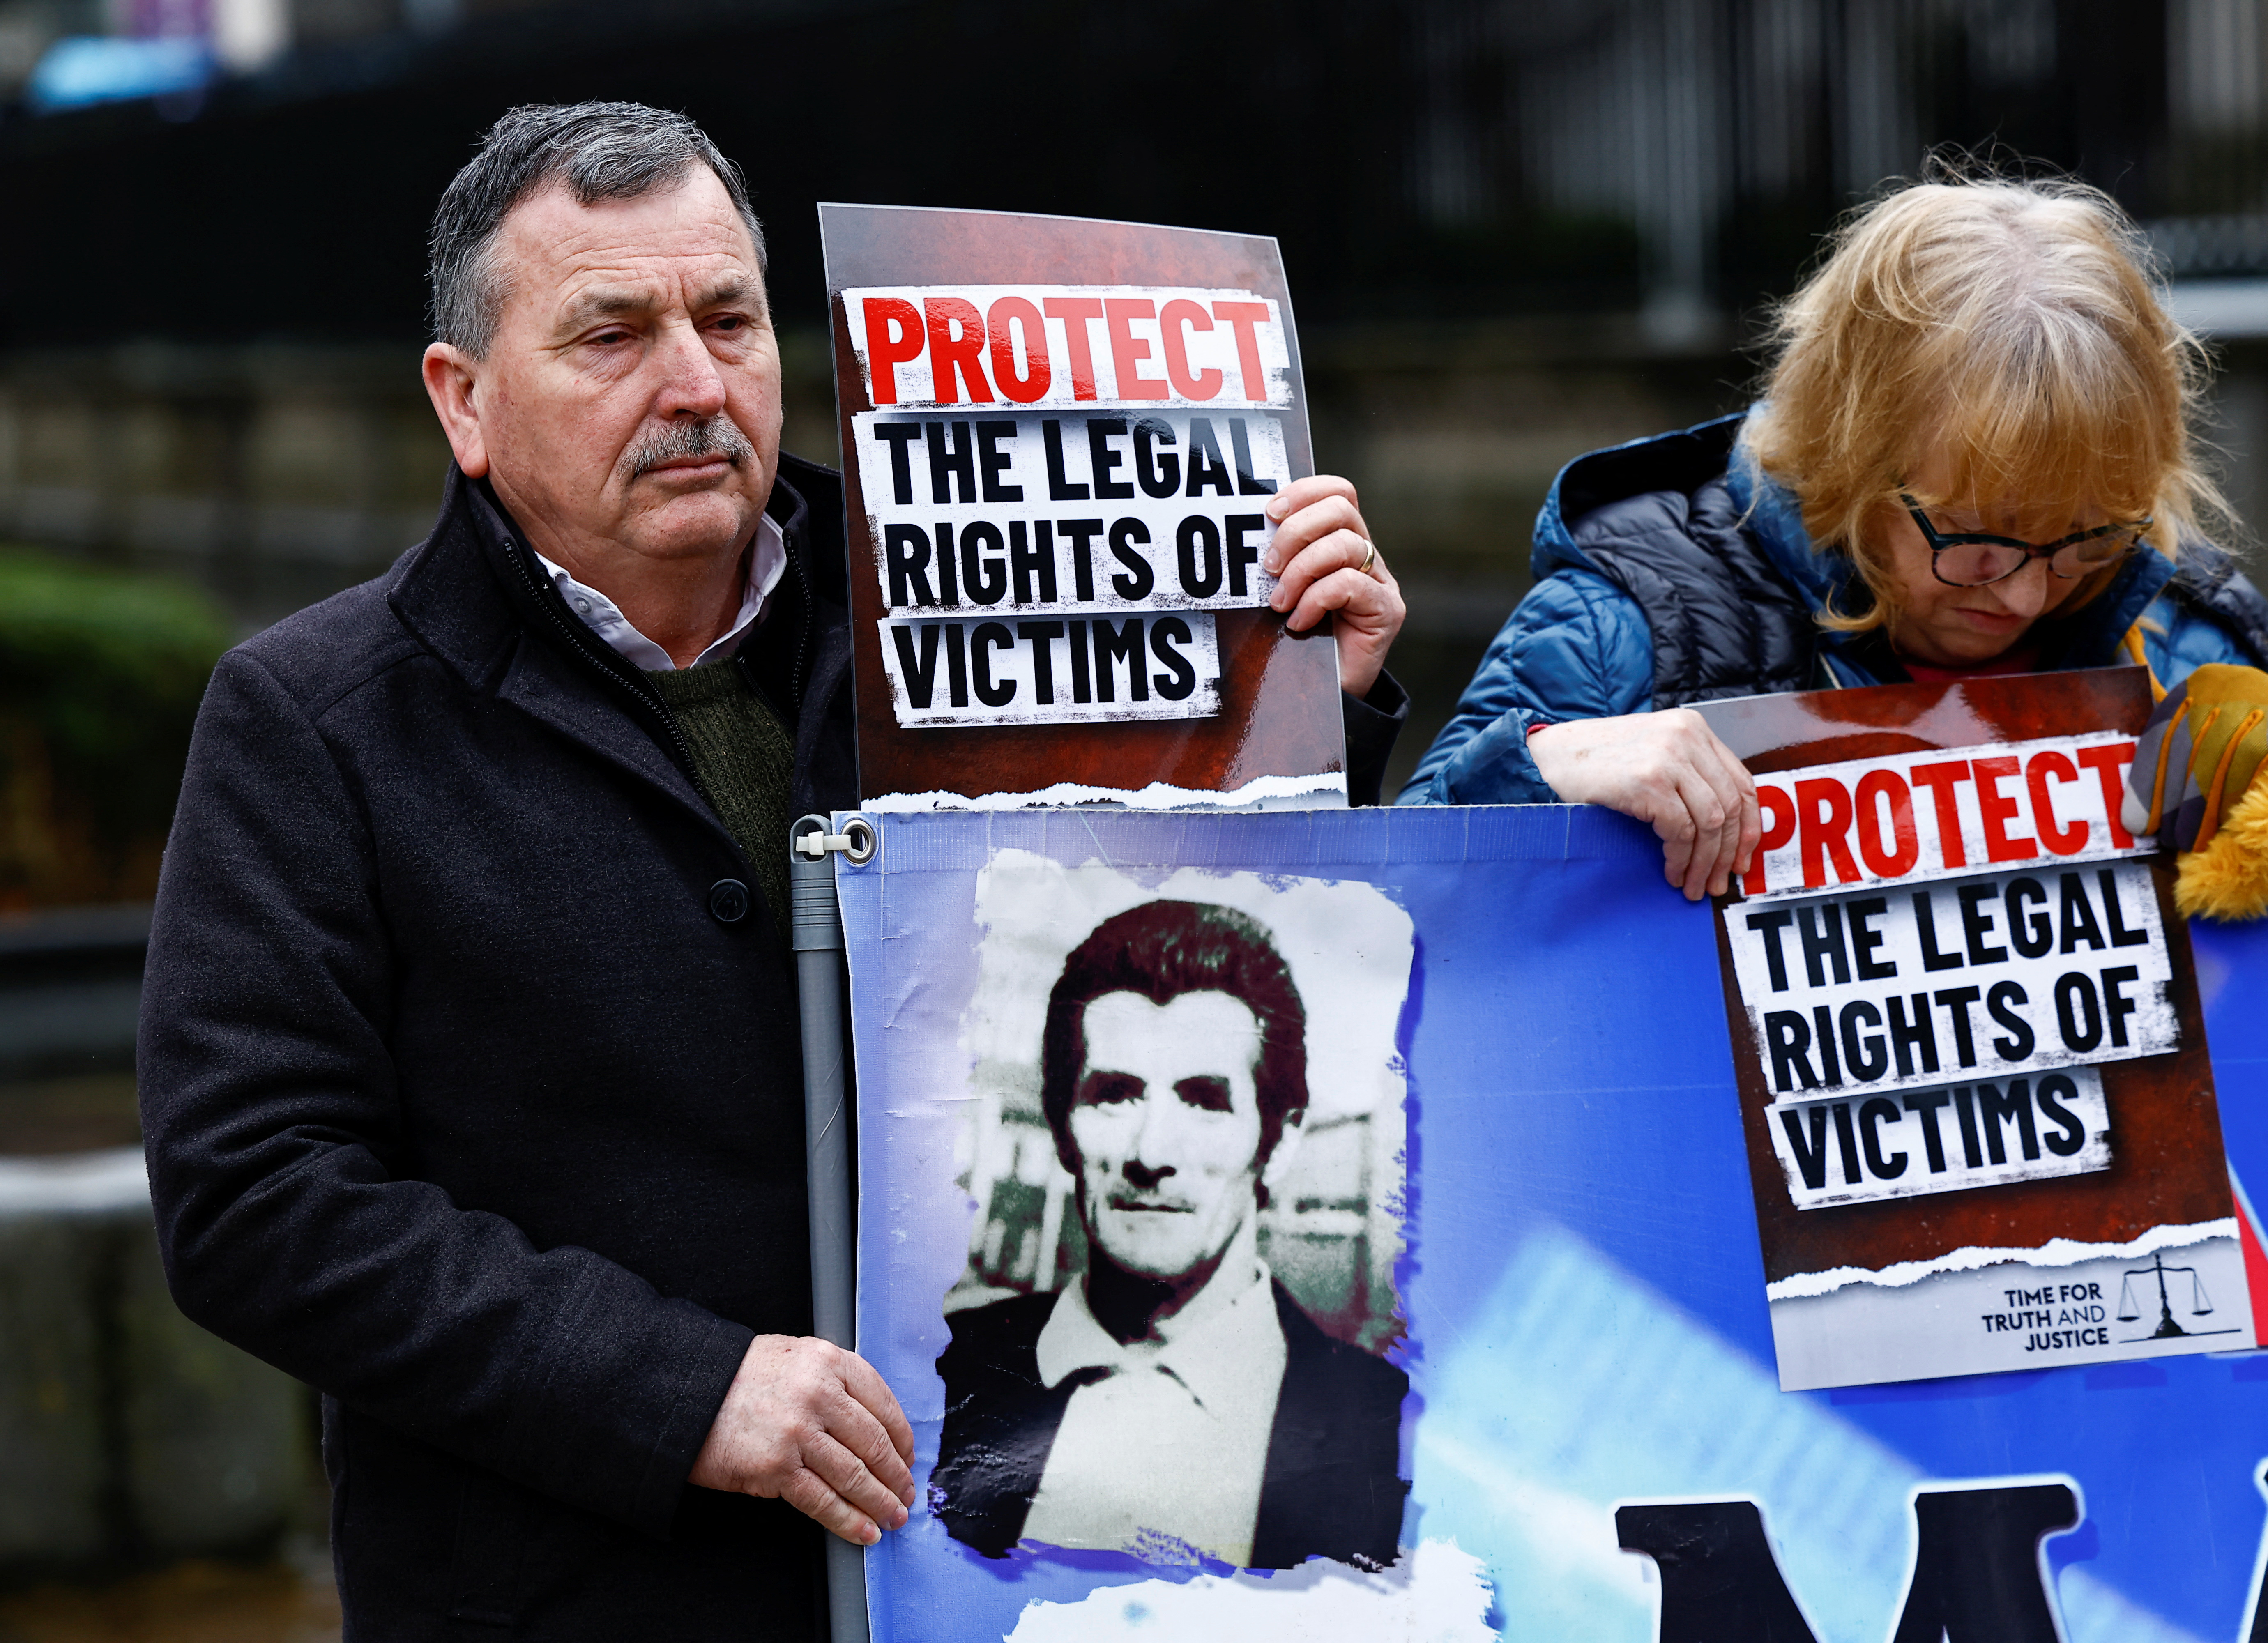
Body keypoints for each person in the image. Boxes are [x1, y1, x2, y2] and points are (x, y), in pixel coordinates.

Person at [135, 103, 1408, 1639]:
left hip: (997, 1580)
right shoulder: (313, 721)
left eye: (728, 318)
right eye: (612, 334)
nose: (695, 385)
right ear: (463, 402)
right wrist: (684, 1391)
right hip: (568, 1594)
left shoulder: (976, 612)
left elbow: (1181, 944)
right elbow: (256, 1198)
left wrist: (1307, 711)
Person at [1398, 173, 2268, 919]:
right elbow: (1396, 924)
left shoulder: (2186, 632)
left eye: (2083, 542)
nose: (2020, 595)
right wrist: (1545, 766)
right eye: (1973, 538)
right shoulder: (1629, 617)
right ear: (1845, 453)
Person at [930, 899, 1407, 1570]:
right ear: (1063, 1125)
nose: (1152, 1152)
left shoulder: (1390, 1428)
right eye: (1115, 1093)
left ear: (1279, 1141)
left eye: (1205, 1100)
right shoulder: (939, 1377)